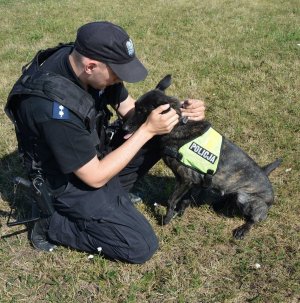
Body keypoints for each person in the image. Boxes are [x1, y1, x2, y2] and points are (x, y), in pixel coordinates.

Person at [5, 21, 205, 263]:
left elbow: (131, 112)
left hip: (91, 153)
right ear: (90, 66)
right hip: (68, 181)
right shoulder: (52, 109)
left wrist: (178, 114)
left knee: (160, 134)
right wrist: (147, 131)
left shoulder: (86, 64)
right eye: (117, 74)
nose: (120, 80)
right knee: (140, 246)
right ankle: (52, 223)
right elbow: (94, 176)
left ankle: (116, 195)